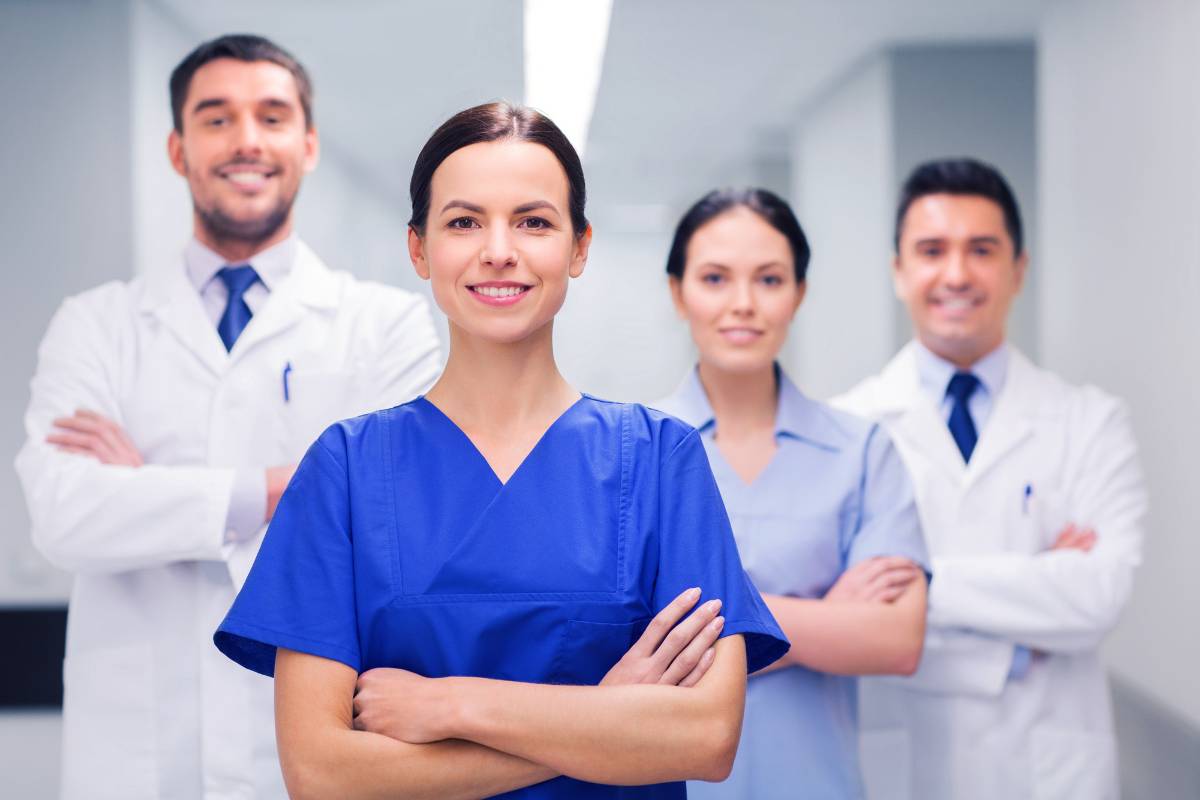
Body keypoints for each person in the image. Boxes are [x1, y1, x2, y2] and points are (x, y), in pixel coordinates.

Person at [214, 102, 789, 799]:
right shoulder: (344, 469)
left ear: (578, 248)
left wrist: (452, 704)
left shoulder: (661, 459)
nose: (498, 250)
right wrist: (604, 713)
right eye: (463, 222)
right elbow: (321, 775)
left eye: (534, 221)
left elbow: (705, 737)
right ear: (419, 249)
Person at [13, 35, 444, 799]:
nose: (247, 139)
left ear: (308, 145)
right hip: (135, 753)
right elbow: (63, 515)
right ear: (178, 150)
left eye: (272, 117)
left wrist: (151, 494)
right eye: (216, 118)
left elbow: (388, 524)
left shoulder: (387, 326)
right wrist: (294, 486)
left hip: (310, 743)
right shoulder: (96, 324)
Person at [834, 158, 1146, 800]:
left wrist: (921, 582)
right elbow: (844, 613)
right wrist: (1024, 624)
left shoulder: (1088, 420)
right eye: (931, 250)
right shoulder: (846, 427)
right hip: (902, 764)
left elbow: (1098, 594)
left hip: (1051, 769)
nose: (956, 273)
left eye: (981, 249)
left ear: (1018, 269)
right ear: (899, 270)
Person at [652, 188, 930, 800]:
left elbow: (896, 640)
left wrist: (698, 636)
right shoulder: (634, 452)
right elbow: (613, 648)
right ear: (678, 293)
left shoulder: (862, 452)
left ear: (799, 294)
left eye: (770, 279)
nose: (743, 304)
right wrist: (828, 620)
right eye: (716, 278)